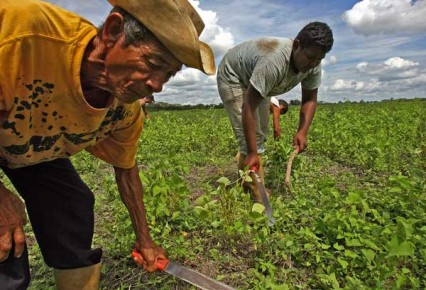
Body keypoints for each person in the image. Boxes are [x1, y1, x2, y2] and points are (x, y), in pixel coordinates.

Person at [0, 0, 215, 289]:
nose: (158, 85)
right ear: (113, 31)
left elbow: (126, 169)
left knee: (71, 205)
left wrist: (145, 239)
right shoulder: (23, 33)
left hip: (28, 143)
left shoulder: (124, 111)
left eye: (169, 74)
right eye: (153, 64)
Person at [217, 22, 333, 201]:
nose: (313, 64)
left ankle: (245, 173)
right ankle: (257, 193)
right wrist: (253, 152)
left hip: (257, 80)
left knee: (261, 134)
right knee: (251, 140)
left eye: (319, 59)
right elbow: (249, 106)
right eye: (310, 57)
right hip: (234, 75)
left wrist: (302, 131)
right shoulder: (273, 62)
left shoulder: (314, 64)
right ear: (296, 45)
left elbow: (310, 99)